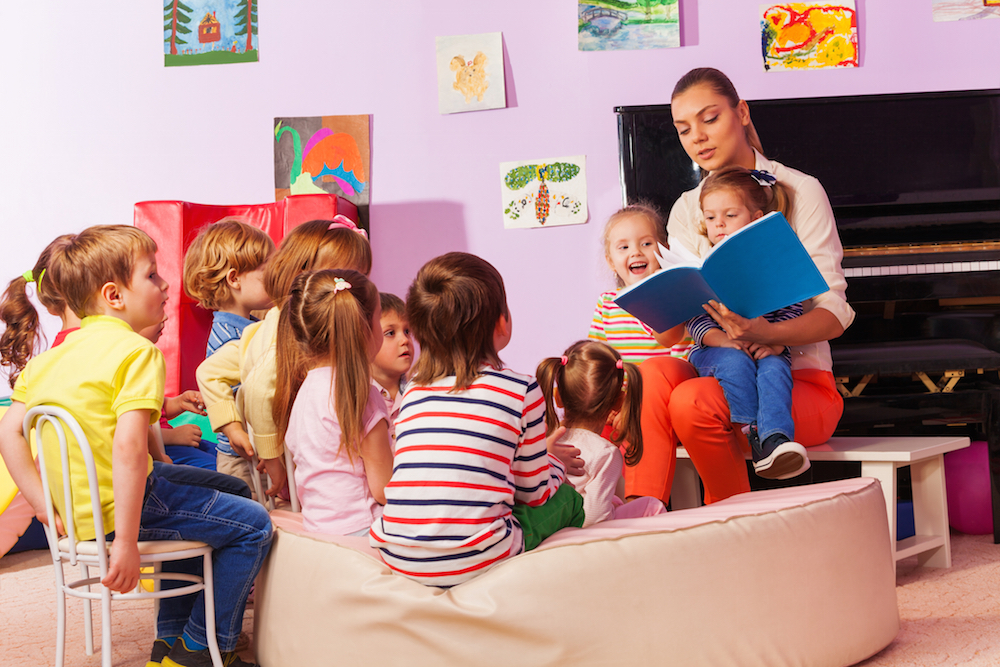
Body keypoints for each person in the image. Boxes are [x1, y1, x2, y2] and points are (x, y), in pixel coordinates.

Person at [0, 225, 271, 667]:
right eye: (152, 275)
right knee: (255, 524)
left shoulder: (49, 359)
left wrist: (46, 506)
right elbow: (129, 448)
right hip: (124, 507)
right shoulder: (136, 352)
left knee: (233, 489)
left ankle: (167, 641)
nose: (166, 285)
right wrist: (125, 542)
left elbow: (8, 434)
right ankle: (201, 647)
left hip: (84, 508)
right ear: (114, 295)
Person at [629, 67, 855, 506]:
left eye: (709, 118)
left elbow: (835, 313)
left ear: (742, 112)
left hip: (791, 377)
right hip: (714, 361)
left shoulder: (799, 190)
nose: (697, 137)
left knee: (694, 400)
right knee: (651, 372)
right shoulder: (686, 208)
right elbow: (671, 337)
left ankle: (734, 526)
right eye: (683, 129)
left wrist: (764, 334)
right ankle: (641, 515)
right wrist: (658, 299)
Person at [370, 252, 585, 587]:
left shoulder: (412, 391)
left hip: (396, 552)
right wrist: (553, 463)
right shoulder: (521, 387)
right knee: (569, 500)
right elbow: (534, 494)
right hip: (477, 556)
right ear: (501, 321)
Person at [196, 216, 371, 499]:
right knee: (256, 522)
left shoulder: (280, 322)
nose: (354, 291)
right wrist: (260, 446)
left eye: (361, 279)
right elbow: (253, 388)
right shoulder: (283, 328)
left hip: (281, 451)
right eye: (344, 280)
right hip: (255, 460)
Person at [686, 166, 808, 480]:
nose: (719, 224)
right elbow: (696, 322)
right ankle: (751, 432)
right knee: (735, 362)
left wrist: (777, 342)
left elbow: (792, 309)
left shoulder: (771, 263)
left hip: (765, 344)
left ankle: (775, 439)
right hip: (716, 349)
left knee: (776, 368)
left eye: (729, 215)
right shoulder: (704, 265)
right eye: (711, 218)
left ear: (755, 219)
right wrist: (725, 340)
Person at [273, 270, 393, 536]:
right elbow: (385, 489)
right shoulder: (362, 395)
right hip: (365, 533)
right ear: (363, 329)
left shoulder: (304, 393)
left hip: (320, 533)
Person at [183, 220, 275, 489]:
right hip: (241, 456)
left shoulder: (247, 324)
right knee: (257, 514)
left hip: (254, 450)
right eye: (268, 273)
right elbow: (227, 392)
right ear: (234, 279)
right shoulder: (229, 336)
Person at [536, 340, 666, 527]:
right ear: (619, 401)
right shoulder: (605, 453)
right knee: (651, 505)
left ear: (558, 397)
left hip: (549, 526)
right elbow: (594, 518)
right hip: (579, 531)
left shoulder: (548, 441)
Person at [588, 203, 693, 363]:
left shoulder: (674, 297)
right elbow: (596, 358)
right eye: (624, 247)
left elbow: (684, 354)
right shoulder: (606, 303)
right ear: (610, 261)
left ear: (663, 250)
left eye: (646, 244)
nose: (635, 252)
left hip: (668, 383)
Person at [370, 292, 413, 450]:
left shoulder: (418, 389)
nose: (405, 340)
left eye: (407, 331)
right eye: (390, 333)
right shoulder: (361, 397)